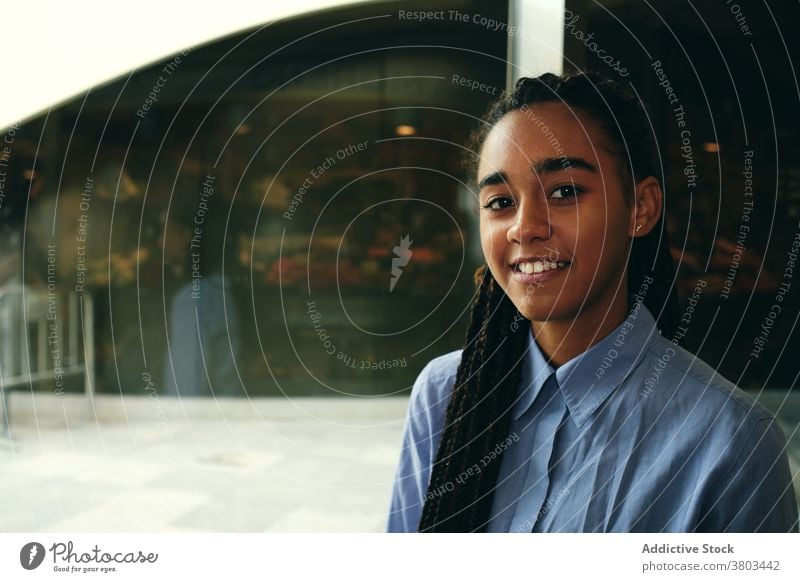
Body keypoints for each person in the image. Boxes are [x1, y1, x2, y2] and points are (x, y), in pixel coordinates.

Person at [386, 71, 798, 533]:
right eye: (500, 202)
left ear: (640, 208)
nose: (525, 227)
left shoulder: (729, 442)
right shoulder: (444, 395)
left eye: (565, 192)